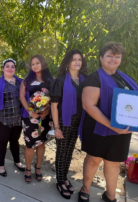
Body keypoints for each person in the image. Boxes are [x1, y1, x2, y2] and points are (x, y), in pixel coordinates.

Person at [77, 42, 138, 202]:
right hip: (99, 128)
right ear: (101, 58)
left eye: (117, 56)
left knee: (113, 163)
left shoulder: (125, 79)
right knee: (93, 160)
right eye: (109, 56)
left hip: (122, 131)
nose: (113, 59)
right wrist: (112, 126)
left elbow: (132, 102)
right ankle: (85, 189)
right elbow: (88, 106)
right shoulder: (94, 78)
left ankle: (110, 195)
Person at [50, 50, 87, 199]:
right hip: (64, 121)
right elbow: (54, 105)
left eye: (79, 59)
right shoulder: (60, 81)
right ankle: (59, 181)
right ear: (67, 62)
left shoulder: (85, 80)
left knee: (70, 151)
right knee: (62, 151)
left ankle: (64, 177)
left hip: (79, 121)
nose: (77, 62)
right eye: (73, 59)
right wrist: (56, 127)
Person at [0, 58, 25, 177]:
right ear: (3, 68)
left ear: (15, 69)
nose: (10, 68)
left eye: (12, 66)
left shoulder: (21, 82)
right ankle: (1, 165)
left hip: (17, 119)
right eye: (7, 66)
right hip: (2, 119)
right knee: (3, 141)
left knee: (15, 141)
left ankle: (17, 161)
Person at [19, 55, 54, 183]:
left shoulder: (51, 80)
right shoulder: (27, 80)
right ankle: (28, 168)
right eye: (32, 64)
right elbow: (22, 96)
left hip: (45, 117)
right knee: (30, 144)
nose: (35, 66)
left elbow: (54, 98)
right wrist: (30, 111)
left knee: (41, 143)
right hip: (30, 118)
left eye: (37, 63)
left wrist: (47, 110)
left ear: (43, 64)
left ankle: (38, 167)